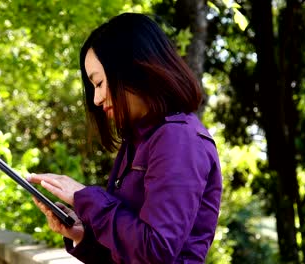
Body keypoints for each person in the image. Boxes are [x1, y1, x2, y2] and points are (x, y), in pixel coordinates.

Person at [27, 12, 222, 264]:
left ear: (132, 69)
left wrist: (85, 197)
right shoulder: (138, 140)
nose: (96, 99)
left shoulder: (179, 139)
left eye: (98, 83)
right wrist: (80, 233)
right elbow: (129, 252)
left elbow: (156, 251)